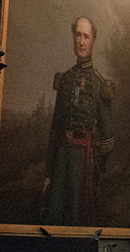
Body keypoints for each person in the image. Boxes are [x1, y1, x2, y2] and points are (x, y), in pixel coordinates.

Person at [43, 16, 114, 226]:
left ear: (93, 41)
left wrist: (96, 168)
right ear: (73, 37)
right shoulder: (65, 80)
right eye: (78, 35)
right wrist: (49, 173)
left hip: (85, 160)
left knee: (77, 216)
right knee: (54, 213)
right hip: (61, 158)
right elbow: (55, 129)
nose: (81, 42)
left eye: (86, 37)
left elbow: (108, 137)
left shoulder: (100, 84)